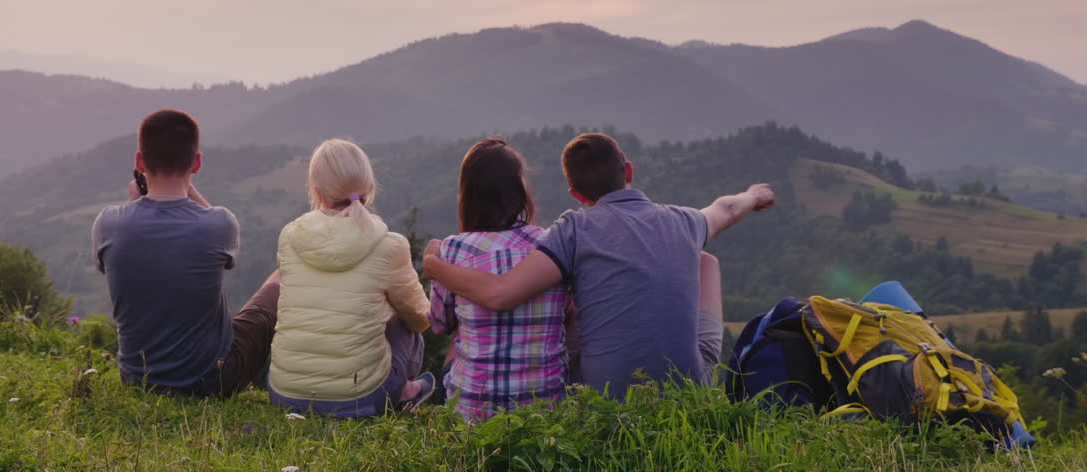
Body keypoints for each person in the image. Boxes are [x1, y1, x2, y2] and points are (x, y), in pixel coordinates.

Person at [424, 132, 774, 399]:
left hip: (600, 393)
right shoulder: (683, 221)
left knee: (568, 298)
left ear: (576, 194)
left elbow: (501, 294)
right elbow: (726, 209)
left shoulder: (573, 230)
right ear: (629, 171)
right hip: (685, 388)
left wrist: (435, 265)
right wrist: (754, 195)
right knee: (705, 261)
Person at [92, 108, 280, 397]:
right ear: (197, 163)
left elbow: (116, 265)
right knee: (280, 280)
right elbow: (223, 247)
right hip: (211, 380)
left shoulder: (108, 223)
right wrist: (189, 189)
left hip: (137, 380)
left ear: (140, 162)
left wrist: (133, 203)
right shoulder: (219, 223)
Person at [268, 139, 435, 416]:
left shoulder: (290, 237)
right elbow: (421, 319)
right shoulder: (389, 246)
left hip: (285, 394)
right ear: (369, 188)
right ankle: (404, 390)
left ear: (317, 192)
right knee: (405, 321)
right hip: (363, 397)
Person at [429, 138, 574, 420]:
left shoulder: (452, 250)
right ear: (520, 191)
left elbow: (439, 324)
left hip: (473, 415)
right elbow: (568, 314)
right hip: (547, 413)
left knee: (459, 333)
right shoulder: (552, 244)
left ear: (467, 194)